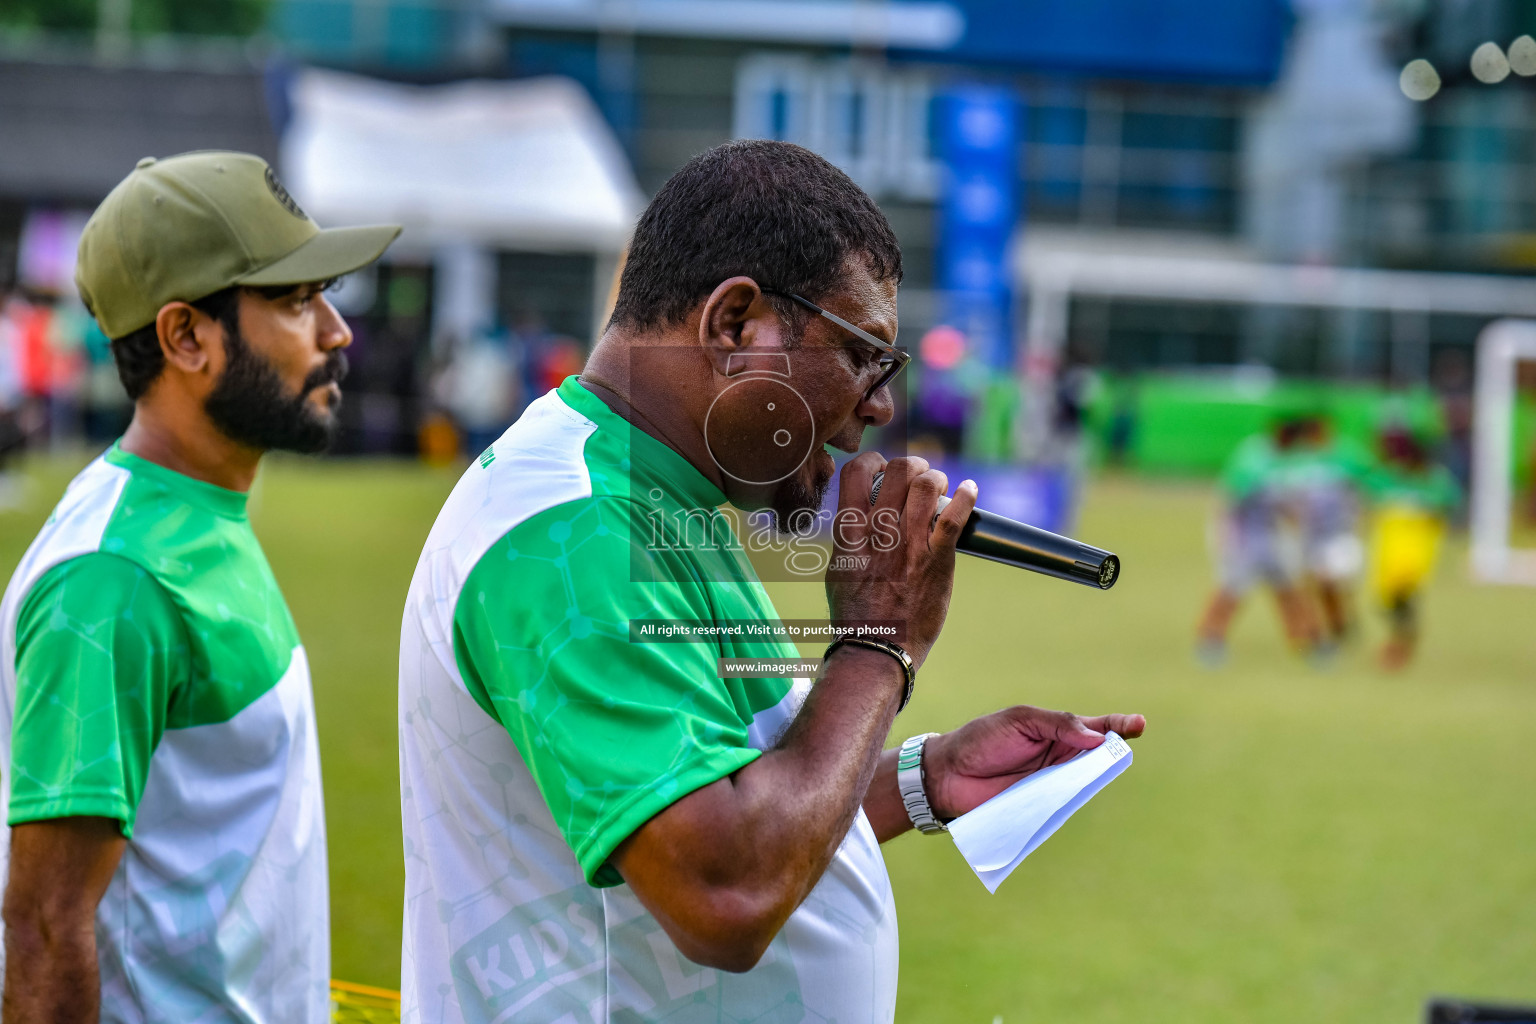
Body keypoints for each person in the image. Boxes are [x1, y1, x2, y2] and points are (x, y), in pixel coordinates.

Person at [398, 140, 1145, 1023]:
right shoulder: (575, 535)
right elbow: (723, 894)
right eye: (868, 353)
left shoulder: (655, 495)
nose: (880, 406)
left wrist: (923, 779)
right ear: (737, 323)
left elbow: (722, 789)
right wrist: (878, 643)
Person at [0, 151, 399, 1023]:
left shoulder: (200, 515)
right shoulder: (112, 579)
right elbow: (41, 925)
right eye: (296, 300)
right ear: (186, 336)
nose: (337, 332)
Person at [1195, 410, 1321, 664]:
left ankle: (1310, 642)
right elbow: (1231, 500)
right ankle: (1210, 640)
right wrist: (1226, 538)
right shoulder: (1253, 457)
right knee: (1231, 591)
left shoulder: (1288, 460)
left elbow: (1289, 504)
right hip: (1245, 537)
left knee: (1289, 590)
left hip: (1273, 535)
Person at [1365, 420, 1460, 670]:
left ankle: (1398, 647)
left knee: (1402, 597)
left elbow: (1448, 508)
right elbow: (1367, 495)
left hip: (1416, 551)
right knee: (1385, 602)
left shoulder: (1435, 481)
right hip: (1388, 550)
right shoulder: (1388, 478)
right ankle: (1405, 638)